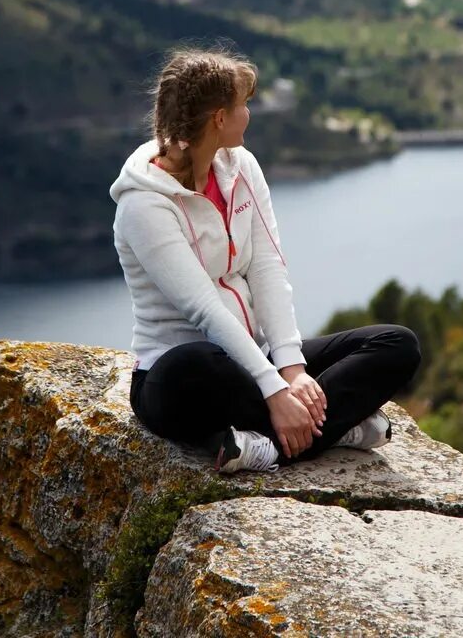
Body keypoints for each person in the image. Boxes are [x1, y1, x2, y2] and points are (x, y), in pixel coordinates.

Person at [110, 46, 421, 473]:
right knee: (196, 361)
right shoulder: (144, 205)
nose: (249, 113)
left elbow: (267, 268)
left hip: (254, 358)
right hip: (179, 377)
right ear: (220, 117)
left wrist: (291, 370)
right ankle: (331, 428)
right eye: (243, 104)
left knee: (396, 344)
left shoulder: (241, 168)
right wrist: (274, 392)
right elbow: (203, 309)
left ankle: (269, 444)